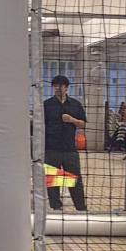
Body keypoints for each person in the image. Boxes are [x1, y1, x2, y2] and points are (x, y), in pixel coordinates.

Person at [44, 75, 87, 212]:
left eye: (60, 85)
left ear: (67, 87)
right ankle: (56, 207)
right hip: (51, 148)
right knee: (53, 179)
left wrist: (72, 120)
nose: (58, 88)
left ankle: (81, 208)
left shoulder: (75, 104)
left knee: (74, 179)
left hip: (70, 149)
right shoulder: (47, 105)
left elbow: (83, 124)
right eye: (55, 86)